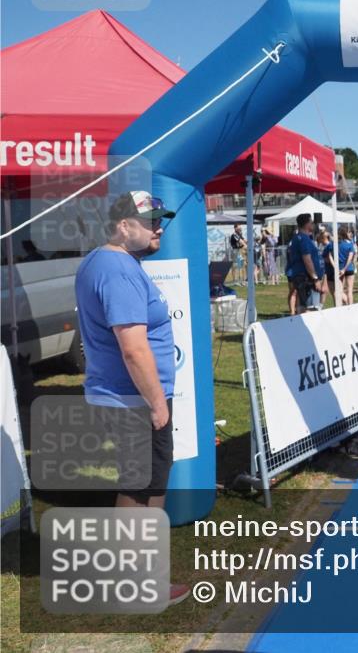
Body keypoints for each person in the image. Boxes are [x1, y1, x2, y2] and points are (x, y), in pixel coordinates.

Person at [74, 190, 190, 606]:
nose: (160, 226)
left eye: (162, 219)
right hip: (133, 400)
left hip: (129, 397)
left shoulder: (111, 263)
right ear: (123, 226)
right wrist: (158, 404)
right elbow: (133, 347)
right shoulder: (117, 268)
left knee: (144, 484)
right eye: (151, 220)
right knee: (140, 489)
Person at [285, 213, 322, 315]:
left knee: (303, 305)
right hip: (306, 278)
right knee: (309, 308)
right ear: (306, 224)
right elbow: (307, 260)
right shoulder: (303, 239)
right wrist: (315, 278)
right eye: (311, 222)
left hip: (302, 276)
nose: (313, 225)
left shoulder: (299, 238)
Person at [337, 227, 356, 304]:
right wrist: (345, 269)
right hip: (349, 268)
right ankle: (350, 306)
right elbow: (350, 258)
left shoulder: (336, 245)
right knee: (350, 290)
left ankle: (342, 306)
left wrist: (342, 269)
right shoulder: (350, 244)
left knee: (339, 291)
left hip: (339, 268)